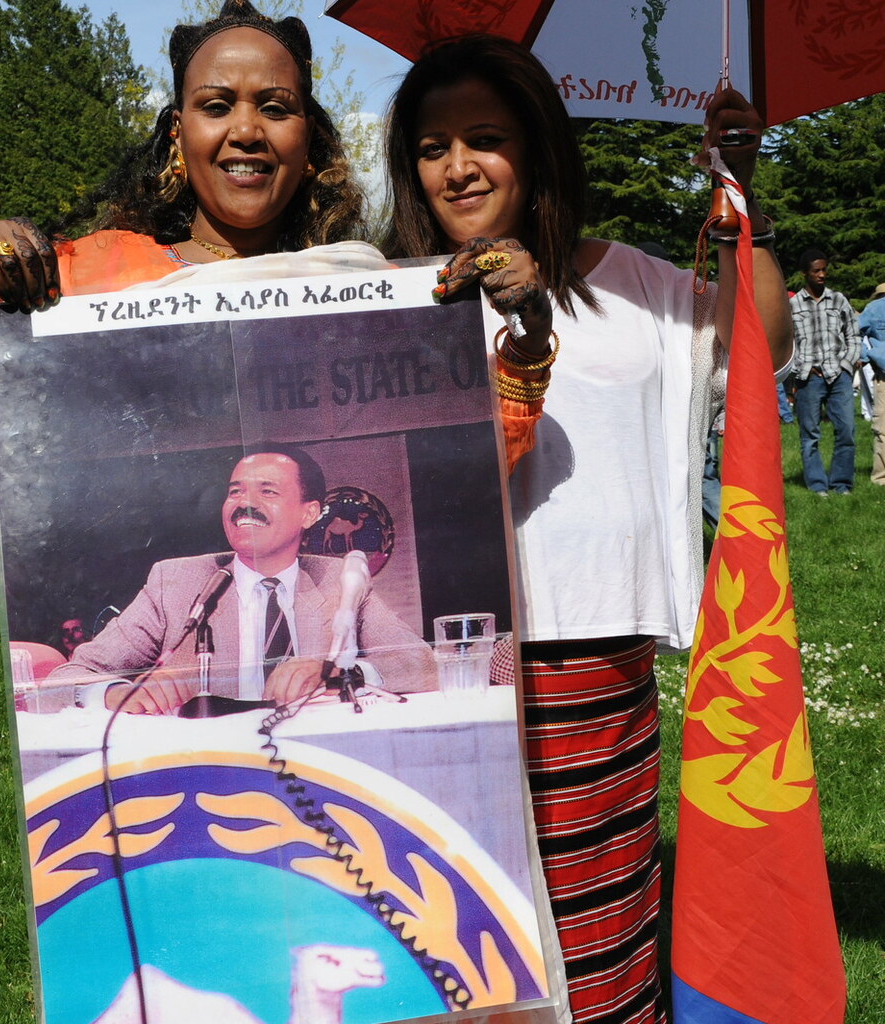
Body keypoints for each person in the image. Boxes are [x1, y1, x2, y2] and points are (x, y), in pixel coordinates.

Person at [384, 36, 792, 1024]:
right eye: (433, 146)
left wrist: (738, 194)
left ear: (537, 151)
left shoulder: (633, 283)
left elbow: (761, 340)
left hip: (589, 658)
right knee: (450, 926)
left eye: (484, 138)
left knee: (592, 918)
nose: (458, 166)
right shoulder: (390, 294)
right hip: (428, 664)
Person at [0, 0, 371, 475]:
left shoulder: (367, 291)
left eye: (276, 108)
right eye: (216, 107)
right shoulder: (81, 277)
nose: (245, 131)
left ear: (308, 137)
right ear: (178, 132)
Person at [39, 444, 435, 714]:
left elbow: (421, 666)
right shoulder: (175, 583)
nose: (245, 504)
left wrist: (336, 674)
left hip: (319, 762)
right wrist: (116, 694)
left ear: (309, 513)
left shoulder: (340, 581)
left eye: (268, 492)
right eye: (235, 492)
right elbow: (63, 681)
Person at [789, 249, 861, 495]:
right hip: (809, 378)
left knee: (847, 431)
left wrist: (846, 365)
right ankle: (818, 485)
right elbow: (787, 344)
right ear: (804, 274)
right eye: (816, 271)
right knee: (810, 435)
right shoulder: (792, 305)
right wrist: (802, 370)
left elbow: (853, 334)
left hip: (838, 374)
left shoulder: (838, 299)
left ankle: (841, 484)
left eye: (824, 270)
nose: (822, 275)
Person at [859, 281, 885, 486]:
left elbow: (854, 331)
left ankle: (880, 477)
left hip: (883, 374)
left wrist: (866, 356)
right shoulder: (874, 308)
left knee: (883, 428)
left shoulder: (873, 308)